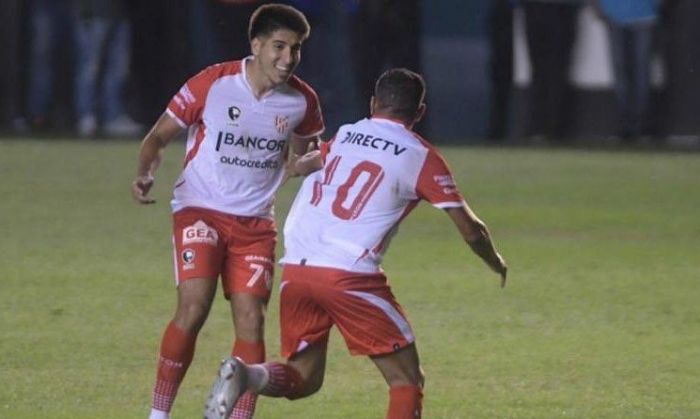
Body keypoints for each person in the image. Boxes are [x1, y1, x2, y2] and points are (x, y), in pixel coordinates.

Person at [203, 68, 508, 419]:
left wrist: (291, 167)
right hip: (348, 273)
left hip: (298, 268)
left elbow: (310, 161)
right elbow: (471, 229)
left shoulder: (347, 134)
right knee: (406, 380)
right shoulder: (420, 155)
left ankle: (248, 376)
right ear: (420, 112)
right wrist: (495, 260)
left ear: (373, 103)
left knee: (304, 379)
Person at [130, 4, 324, 419]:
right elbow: (158, 136)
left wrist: (305, 164)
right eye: (279, 46)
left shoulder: (302, 102)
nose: (288, 59)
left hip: (255, 224)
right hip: (199, 209)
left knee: (251, 321)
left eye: (296, 49)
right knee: (194, 306)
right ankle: (158, 414)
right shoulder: (212, 83)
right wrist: (146, 173)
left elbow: (302, 158)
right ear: (255, 45)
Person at [73, 0, 142, 137]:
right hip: (93, 13)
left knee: (118, 70)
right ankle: (86, 115)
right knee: (90, 67)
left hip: (119, 12)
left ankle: (113, 115)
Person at [592, 0, 659, 142]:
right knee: (625, 72)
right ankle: (626, 125)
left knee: (640, 72)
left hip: (643, 13)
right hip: (615, 12)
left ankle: (640, 125)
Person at [520, 0, 582, 143]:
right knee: (539, 69)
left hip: (563, 8)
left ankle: (552, 128)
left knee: (557, 70)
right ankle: (538, 127)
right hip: (535, 7)